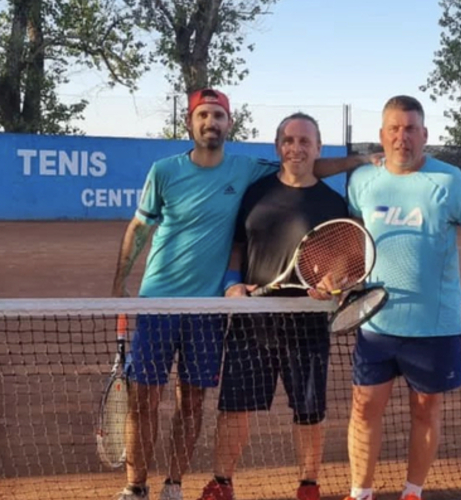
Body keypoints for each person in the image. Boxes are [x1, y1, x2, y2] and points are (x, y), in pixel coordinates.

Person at [111, 89, 377, 500]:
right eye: (203, 115)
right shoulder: (196, 175)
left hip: (256, 318)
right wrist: (121, 285)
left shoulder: (287, 185)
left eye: (218, 115)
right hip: (189, 308)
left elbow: (335, 226)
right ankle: (144, 486)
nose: (211, 122)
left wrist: (358, 160)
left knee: (201, 403)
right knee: (160, 401)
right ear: (190, 122)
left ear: (228, 123)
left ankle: (178, 486)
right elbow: (149, 229)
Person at [196, 112, 348, 500]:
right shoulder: (255, 192)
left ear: (318, 147)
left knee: (309, 412)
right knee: (234, 408)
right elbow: (237, 247)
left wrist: (332, 284)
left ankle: (309, 485)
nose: (296, 148)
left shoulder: (333, 203)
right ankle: (221, 482)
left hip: (307, 324)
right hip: (252, 321)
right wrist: (232, 286)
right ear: (279, 146)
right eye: (288, 140)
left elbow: (341, 258)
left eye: (304, 141)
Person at [344, 95, 461, 500]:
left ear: (424, 134)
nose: (402, 137)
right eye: (394, 128)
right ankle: (361, 493)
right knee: (363, 408)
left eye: (410, 129)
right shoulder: (362, 182)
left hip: (434, 325)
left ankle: (412, 492)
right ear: (382, 135)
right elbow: (354, 236)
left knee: (425, 410)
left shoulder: (449, 181)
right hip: (375, 323)